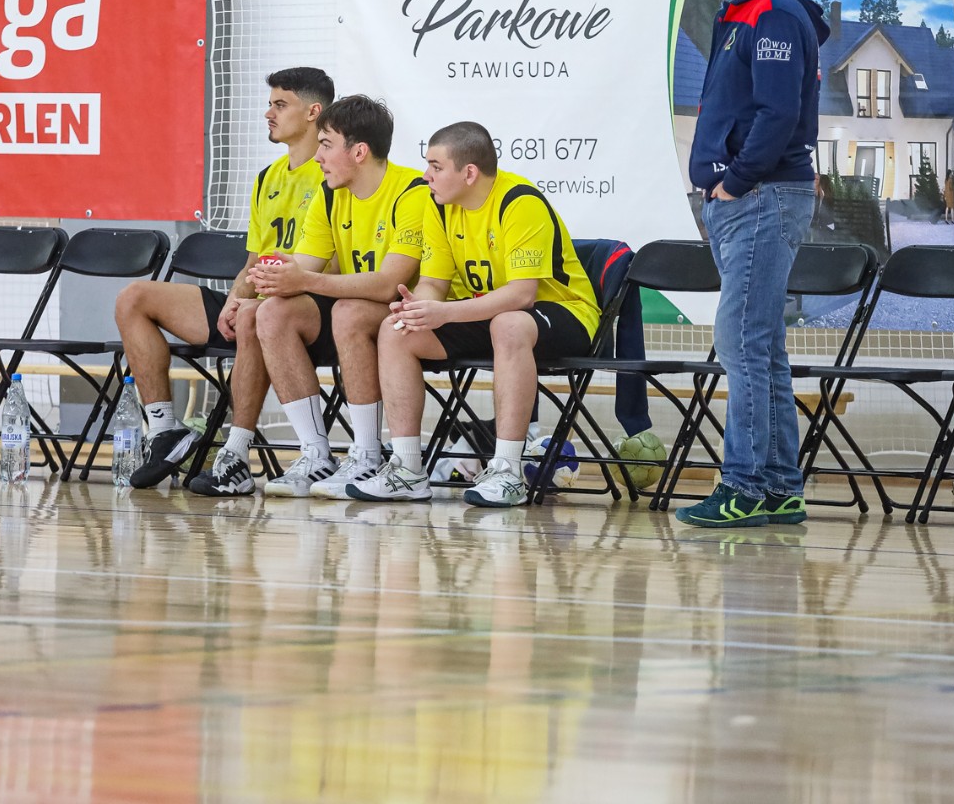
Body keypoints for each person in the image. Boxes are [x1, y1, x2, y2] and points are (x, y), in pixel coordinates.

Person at [676, 0, 829, 528]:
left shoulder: (774, 15)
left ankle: (742, 486)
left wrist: (734, 183)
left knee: (740, 342)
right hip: (751, 199)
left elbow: (778, 113)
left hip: (761, 197)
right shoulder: (742, 14)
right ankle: (778, 486)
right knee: (760, 348)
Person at [196, 95, 431, 499]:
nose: (318, 157)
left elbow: (388, 284)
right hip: (354, 312)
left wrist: (302, 279)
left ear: (359, 152)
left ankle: (368, 455)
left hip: (412, 315)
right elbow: (302, 265)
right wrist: (259, 286)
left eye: (326, 145)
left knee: (349, 312)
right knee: (267, 313)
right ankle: (315, 454)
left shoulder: (412, 192)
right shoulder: (329, 194)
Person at [363, 121, 600, 508]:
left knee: (508, 324)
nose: (426, 176)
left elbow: (522, 295)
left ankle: (507, 472)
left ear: (469, 173)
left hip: (564, 313)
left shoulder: (520, 202)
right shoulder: (439, 207)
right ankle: (407, 470)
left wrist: (444, 312)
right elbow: (434, 283)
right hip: (491, 315)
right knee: (396, 329)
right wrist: (418, 307)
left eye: (436, 166)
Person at [117, 66, 333, 488]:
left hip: (303, 307)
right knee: (134, 298)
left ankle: (235, 455)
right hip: (258, 299)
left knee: (256, 312)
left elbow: (333, 264)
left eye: (280, 105)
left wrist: (253, 299)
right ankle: (164, 430)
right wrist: (235, 296)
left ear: (313, 112)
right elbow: (253, 260)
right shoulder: (268, 177)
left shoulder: (332, 173)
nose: (268, 113)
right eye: (269, 104)